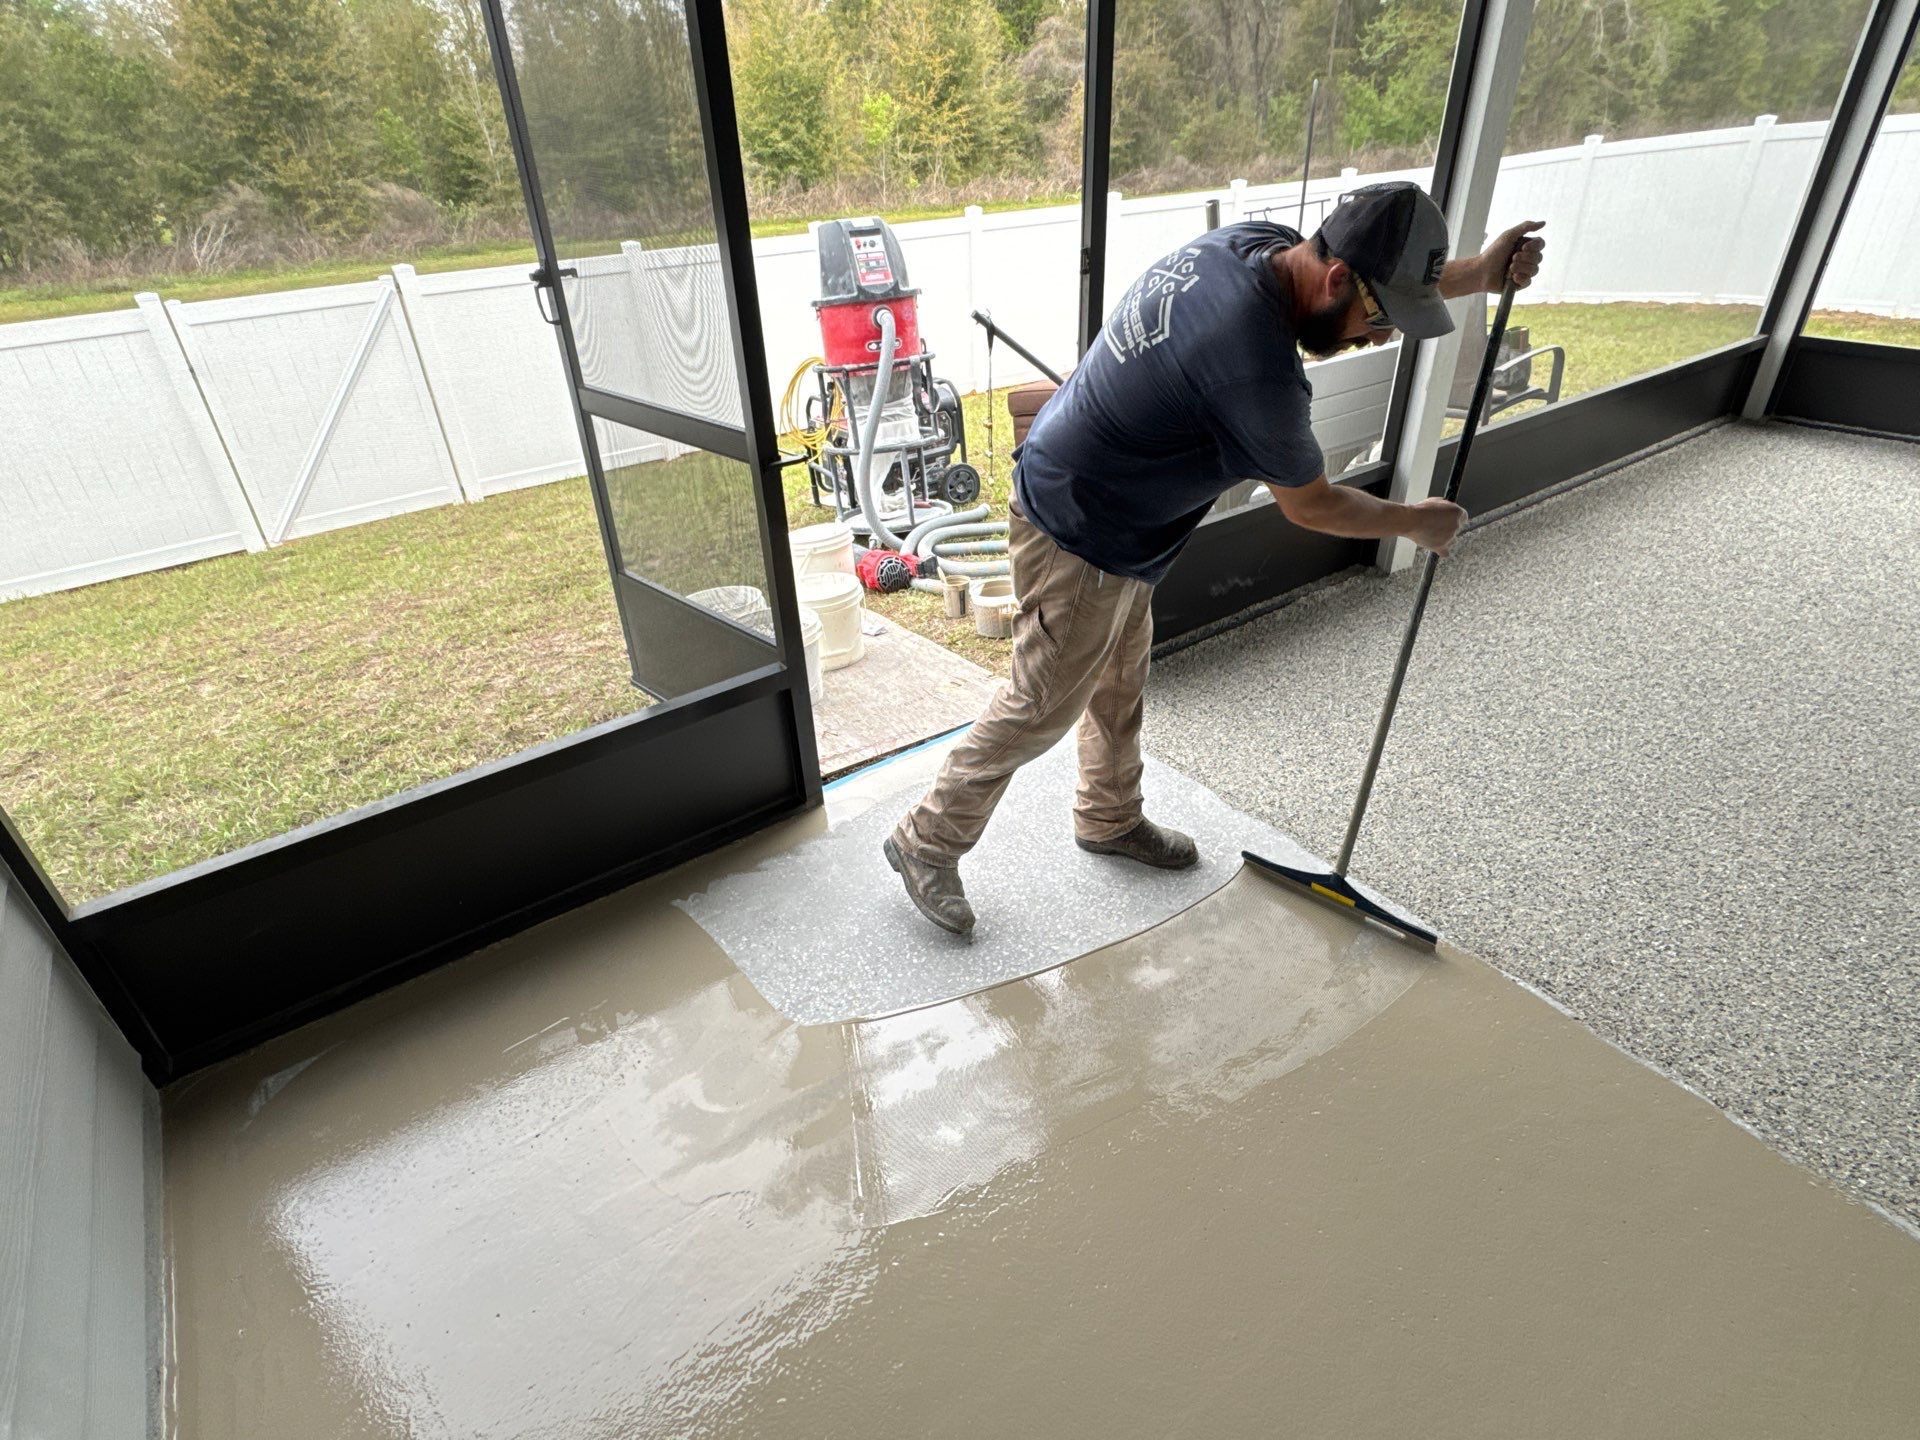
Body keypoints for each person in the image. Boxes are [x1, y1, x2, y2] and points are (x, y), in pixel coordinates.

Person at [884, 181, 1545, 936]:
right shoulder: (1255, 369)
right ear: (1336, 279)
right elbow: (1313, 505)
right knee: (1042, 702)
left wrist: (1479, 273)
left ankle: (1108, 815)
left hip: (1116, 510)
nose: (1378, 338)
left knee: (1119, 674)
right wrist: (1415, 523)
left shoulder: (1260, 245)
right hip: (1080, 526)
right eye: (1379, 320)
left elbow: (1364, 291)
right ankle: (925, 840)